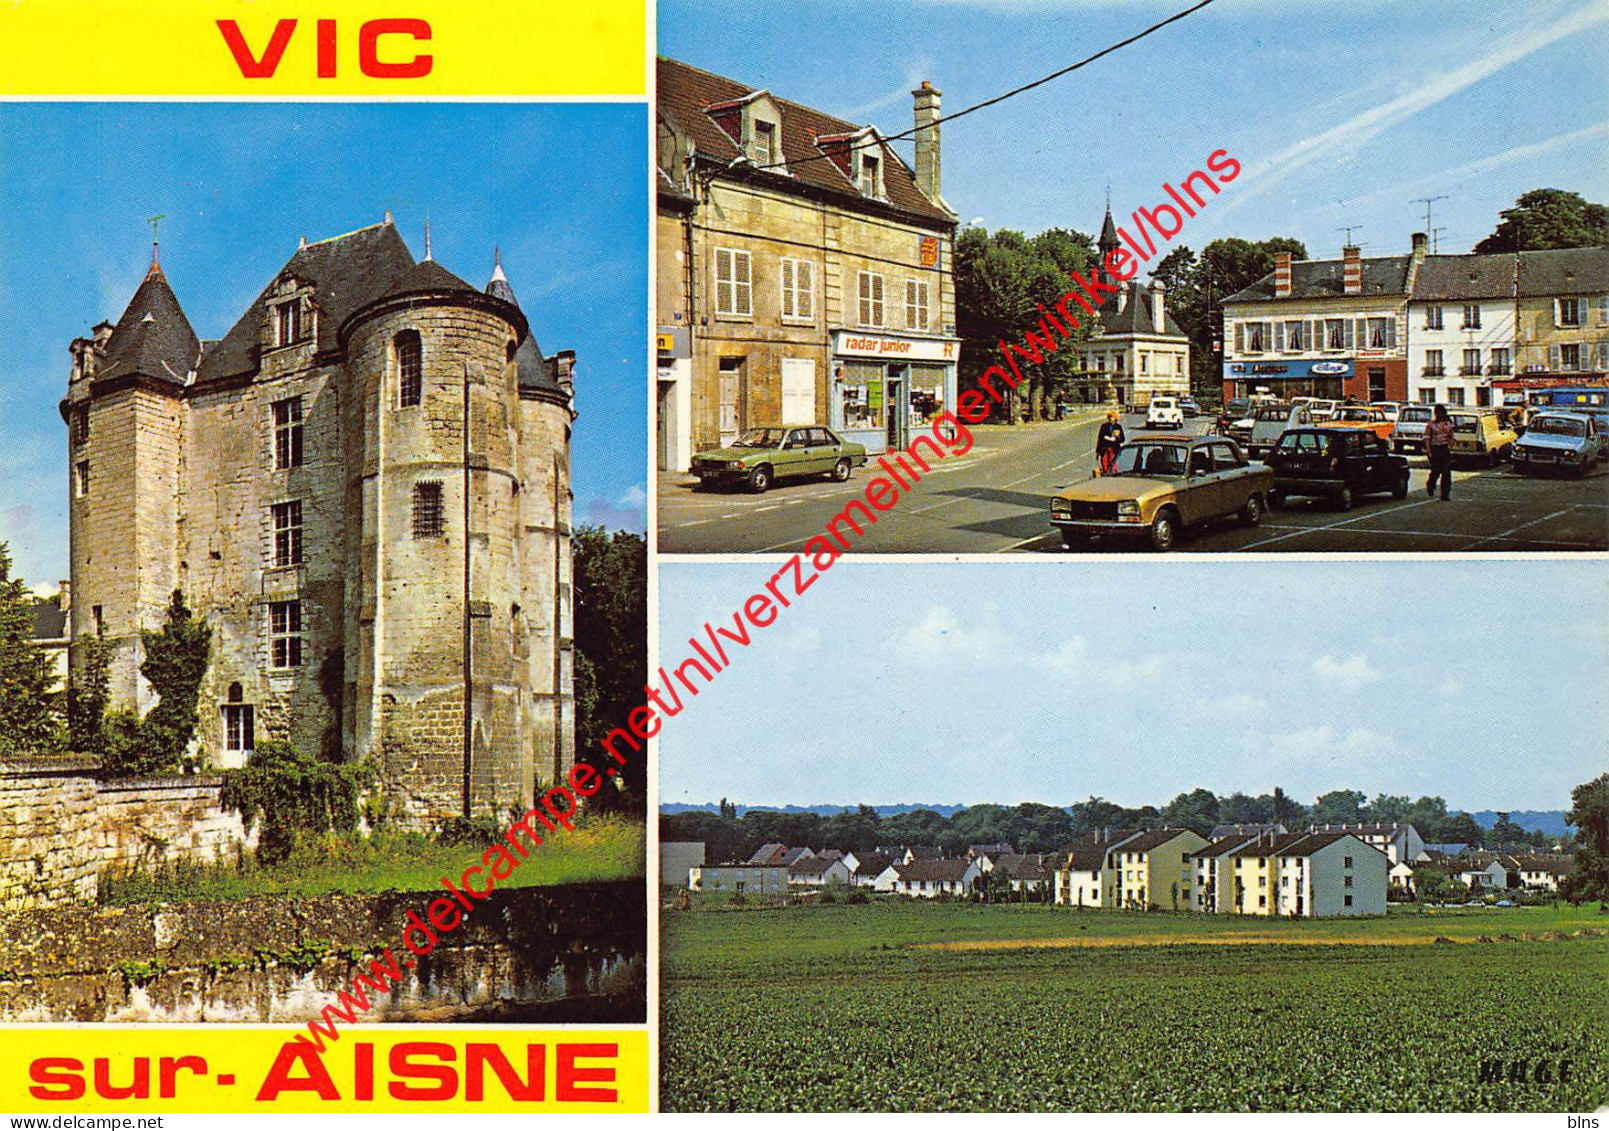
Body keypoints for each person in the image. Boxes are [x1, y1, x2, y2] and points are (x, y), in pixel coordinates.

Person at [1425, 403, 1455, 501]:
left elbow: (1451, 435)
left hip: (1444, 449)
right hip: (1435, 449)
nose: (1440, 415)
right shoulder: (1431, 425)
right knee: (1436, 471)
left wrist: (1450, 442)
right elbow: (1427, 439)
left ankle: (1445, 494)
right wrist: (1429, 451)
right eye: (1438, 413)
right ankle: (1430, 484)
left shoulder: (1448, 423)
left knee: (1446, 472)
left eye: (1441, 412)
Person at [1095, 409, 1125, 474]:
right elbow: (1100, 439)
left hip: (1114, 449)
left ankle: (1113, 475)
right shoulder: (1104, 426)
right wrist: (1097, 452)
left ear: (1115, 418)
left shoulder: (1118, 427)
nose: (1110, 419)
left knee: (1113, 464)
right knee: (1104, 464)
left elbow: (1122, 439)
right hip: (1104, 449)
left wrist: (1116, 439)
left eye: (1112, 417)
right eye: (1109, 417)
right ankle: (1105, 475)